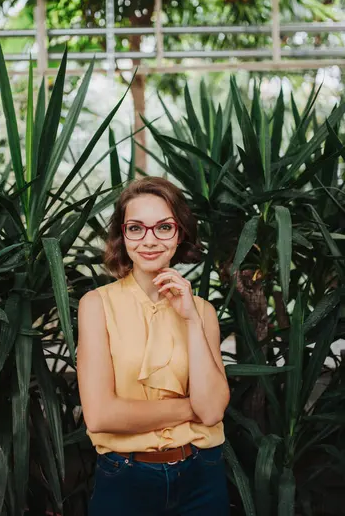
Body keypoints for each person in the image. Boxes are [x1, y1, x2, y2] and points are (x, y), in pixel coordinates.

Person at [77, 176, 230, 516]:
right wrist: (192, 408)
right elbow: (101, 415)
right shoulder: (96, 305)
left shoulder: (202, 311)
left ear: (180, 234)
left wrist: (190, 319)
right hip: (126, 479)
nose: (149, 240)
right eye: (136, 228)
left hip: (202, 475)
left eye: (163, 227)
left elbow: (214, 412)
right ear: (123, 235)